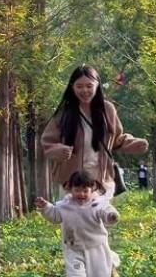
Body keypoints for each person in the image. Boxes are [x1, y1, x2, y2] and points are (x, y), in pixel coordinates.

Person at [41, 64, 149, 201]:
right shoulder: (64, 113)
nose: (84, 90)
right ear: (72, 87)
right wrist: (59, 150)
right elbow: (47, 142)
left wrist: (134, 144)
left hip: (101, 181)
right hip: (72, 183)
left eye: (89, 86)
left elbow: (117, 139)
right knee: (72, 215)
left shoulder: (107, 110)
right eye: (79, 86)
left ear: (97, 85)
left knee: (101, 214)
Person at [35, 171, 119, 277]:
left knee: (99, 275)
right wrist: (45, 207)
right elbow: (55, 216)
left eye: (85, 191)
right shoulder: (64, 206)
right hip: (73, 247)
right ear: (70, 188)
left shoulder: (97, 204)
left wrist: (111, 216)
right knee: (75, 276)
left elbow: (106, 211)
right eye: (77, 190)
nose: (81, 194)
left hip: (96, 247)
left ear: (92, 189)